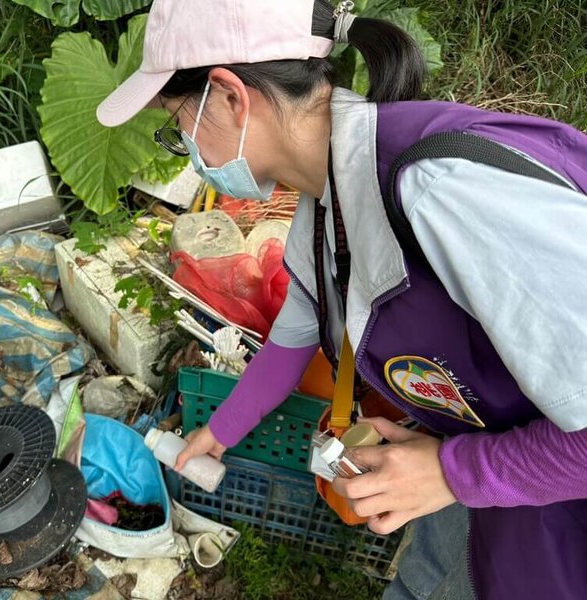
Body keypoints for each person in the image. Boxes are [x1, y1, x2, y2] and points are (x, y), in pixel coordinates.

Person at [96, 0, 587, 598]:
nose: (186, 146)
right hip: (506, 477)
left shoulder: (444, 193)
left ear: (229, 96)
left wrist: (453, 472)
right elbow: (295, 334)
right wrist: (219, 432)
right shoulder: (326, 202)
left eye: (178, 123)